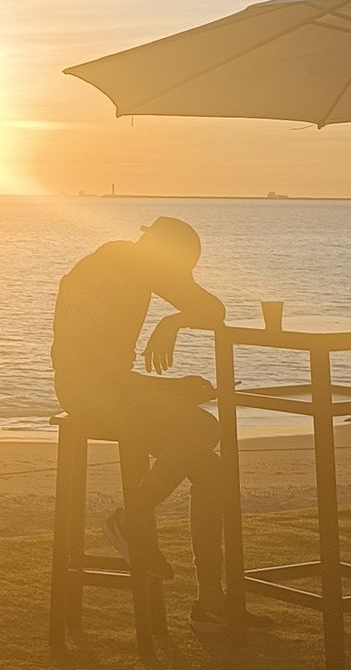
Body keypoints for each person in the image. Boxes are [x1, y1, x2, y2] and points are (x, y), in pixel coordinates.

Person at [51, 215, 229, 631]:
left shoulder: (123, 263)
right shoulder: (126, 269)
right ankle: (130, 521)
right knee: (204, 429)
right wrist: (170, 383)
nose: (182, 279)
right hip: (90, 395)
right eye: (182, 269)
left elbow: (212, 311)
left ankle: (210, 603)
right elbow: (102, 377)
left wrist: (172, 327)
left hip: (102, 389)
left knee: (211, 470)